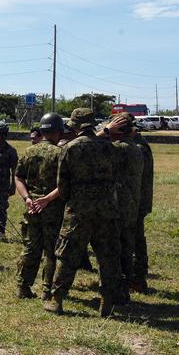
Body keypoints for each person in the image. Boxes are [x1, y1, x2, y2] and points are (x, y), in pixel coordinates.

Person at [44, 109, 125, 317]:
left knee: (67, 255)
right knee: (107, 257)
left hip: (78, 211)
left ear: (75, 125)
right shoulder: (111, 148)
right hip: (107, 209)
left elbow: (62, 187)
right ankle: (107, 303)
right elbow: (116, 177)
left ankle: (57, 300)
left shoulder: (70, 148)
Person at [13, 112, 65, 301]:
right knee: (51, 250)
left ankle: (22, 286)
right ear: (59, 131)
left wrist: (27, 198)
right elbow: (65, 184)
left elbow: (18, 177)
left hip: (31, 209)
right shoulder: (61, 154)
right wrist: (48, 199)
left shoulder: (29, 151)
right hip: (53, 209)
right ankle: (46, 290)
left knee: (30, 248)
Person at [108, 113, 144, 304]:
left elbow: (91, 149)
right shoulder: (135, 147)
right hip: (130, 206)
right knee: (126, 248)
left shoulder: (119, 149)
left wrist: (104, 132)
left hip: (118, 207)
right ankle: (126, 287)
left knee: (116, 249)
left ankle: (119, 291)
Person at [132, 129, 154, 293]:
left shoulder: (137, 148)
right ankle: (137, 280)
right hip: (137, 201)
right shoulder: (139, 144)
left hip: (135, 202)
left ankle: (137, 280)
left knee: (134, 241)